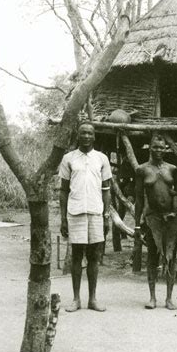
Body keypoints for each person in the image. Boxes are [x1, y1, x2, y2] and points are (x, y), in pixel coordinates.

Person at [59, 121, 112, 312]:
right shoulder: (68, 159)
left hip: (96, 213)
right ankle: (75, 299)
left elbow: (106, 190)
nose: (86, 136)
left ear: (94, 136)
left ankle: (92, 299)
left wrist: (106, 216)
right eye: (83, 133)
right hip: (75, 212)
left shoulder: (102, 159)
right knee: (76, 256)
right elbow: (63, 191)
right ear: (78, 135)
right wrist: (63, 219)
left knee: (94, 256)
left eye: (90, 133)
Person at [134, 134, 177, 310]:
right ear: (150, 147)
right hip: (152, 218)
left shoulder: (173, 169)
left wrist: (176, 215)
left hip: (170, 219)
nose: (158, 150)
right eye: (155, 147)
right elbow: (139, 198)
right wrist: (137, 225)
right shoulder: (142, 169)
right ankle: (152, 297)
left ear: (166, 149)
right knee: (152, 256)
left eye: (161, 147)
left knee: (171, 257)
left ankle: (169, 298)